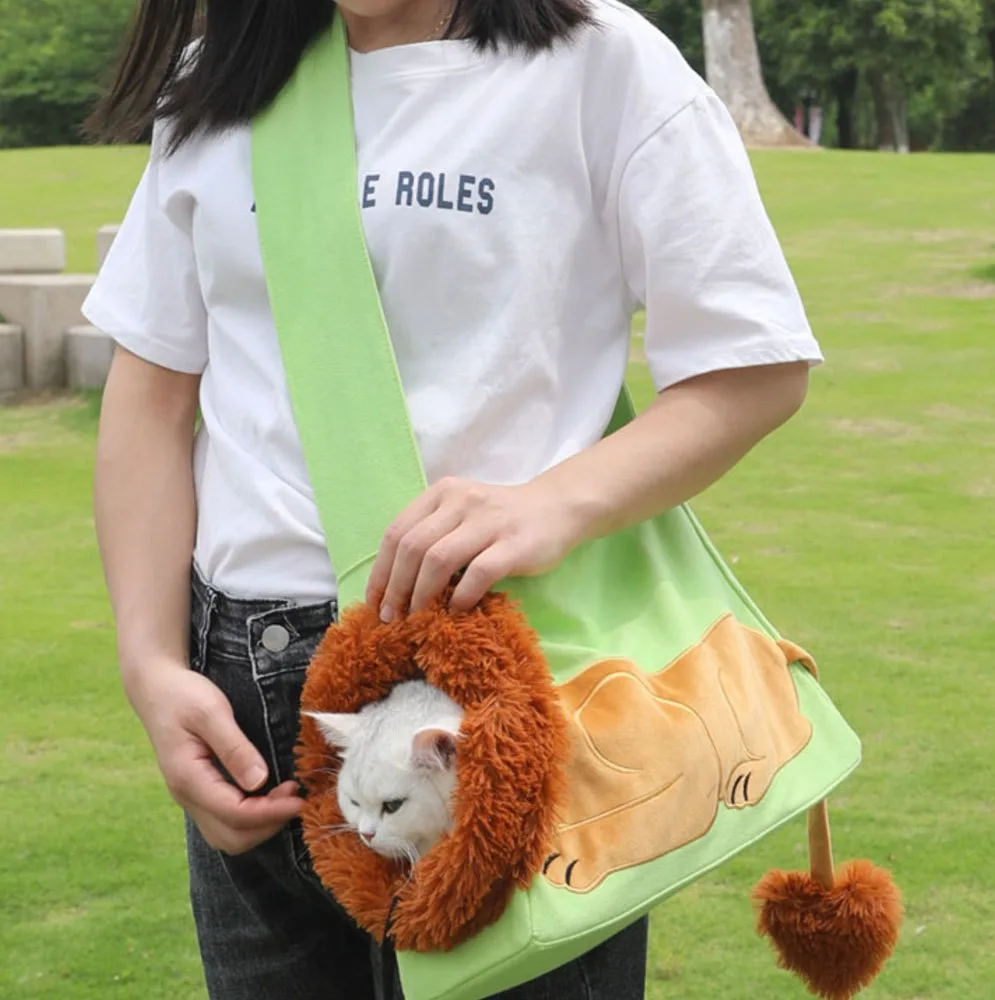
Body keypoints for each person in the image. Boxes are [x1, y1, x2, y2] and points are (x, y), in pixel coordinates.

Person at [85, 0, 822, 997]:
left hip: (488, 695)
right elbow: (152, 392)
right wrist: (149, 662)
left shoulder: (601, 64)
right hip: (243, 696)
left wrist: (553, 503)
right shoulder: (226, 74)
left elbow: (754, 366)